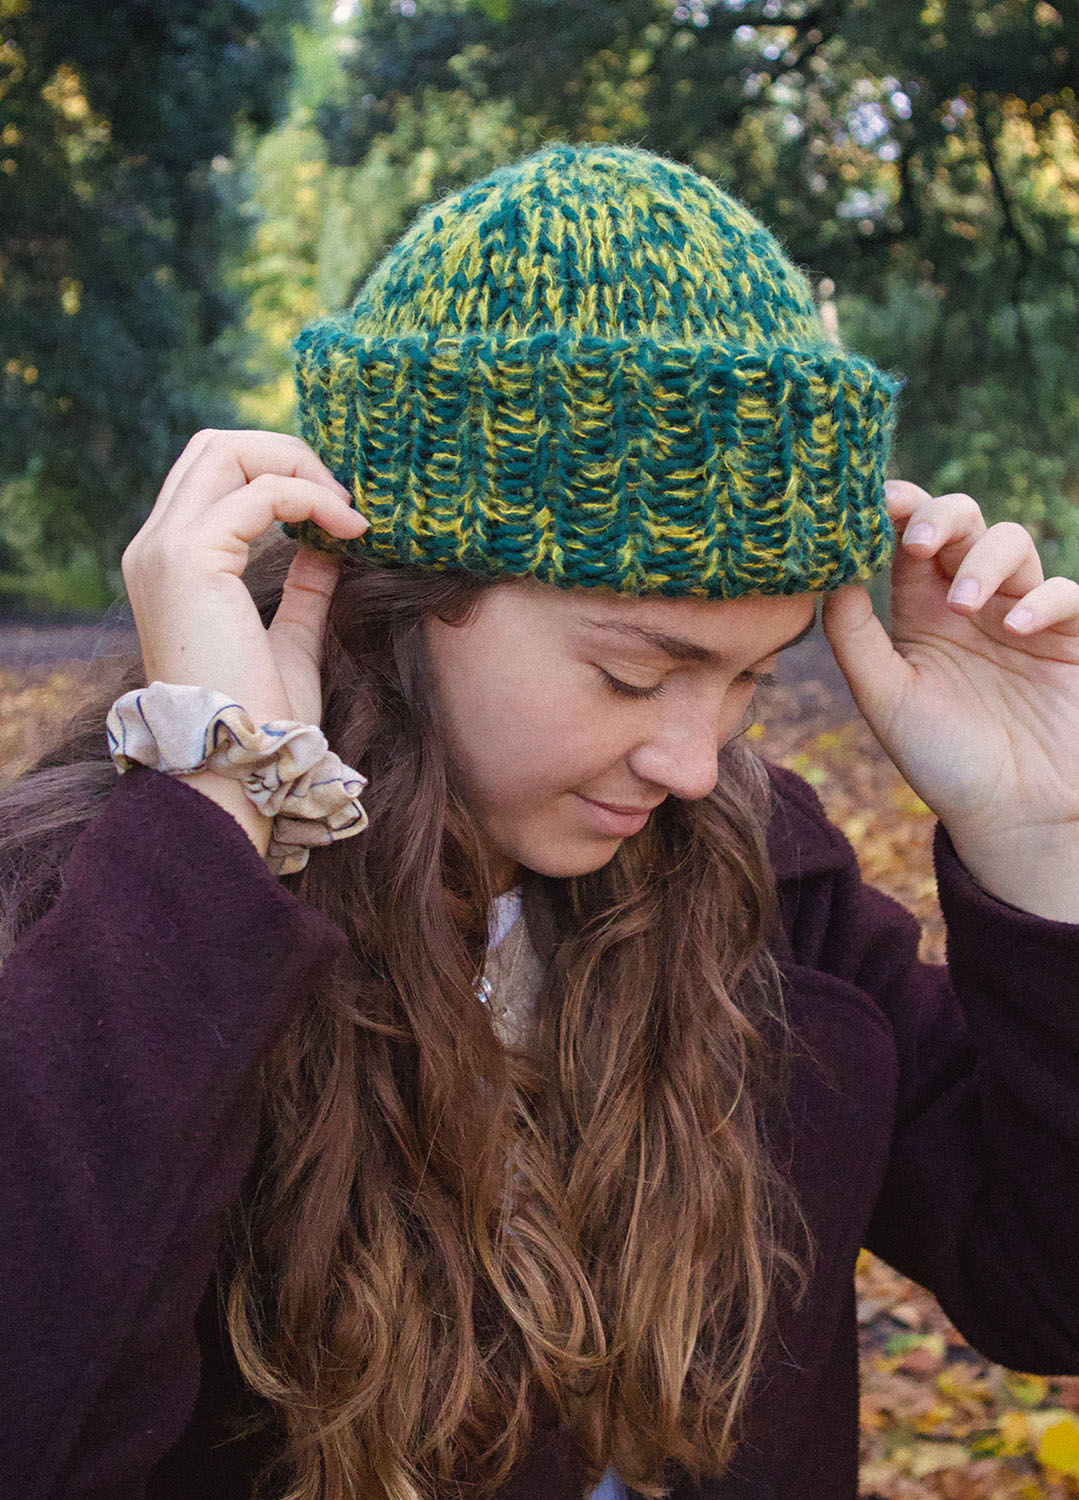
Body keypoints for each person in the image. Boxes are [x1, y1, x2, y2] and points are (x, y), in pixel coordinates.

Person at [1, 141, 1078, 1500]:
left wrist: (1042, 840)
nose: (698, 763)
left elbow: (1052, 1289)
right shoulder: (103, 915)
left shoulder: (770, 890)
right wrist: (218, 803)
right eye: (634, 672)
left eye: (752, 676)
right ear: (398, 587)